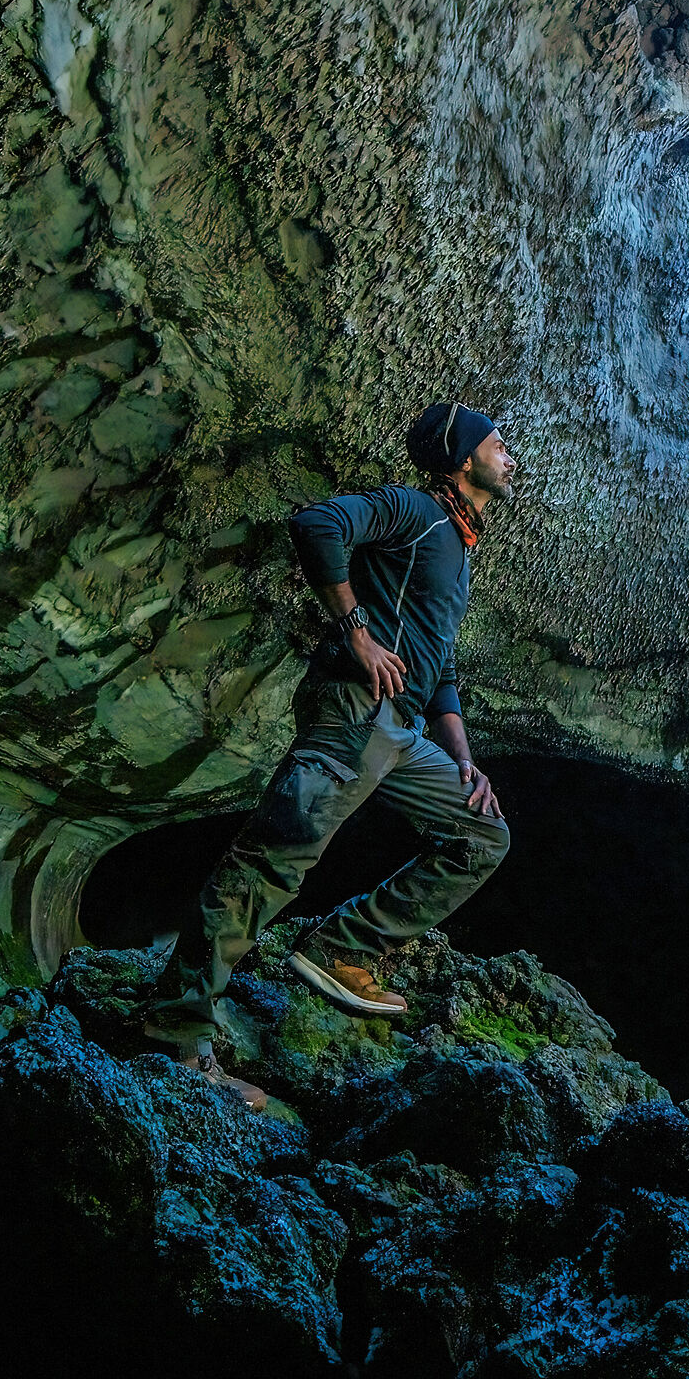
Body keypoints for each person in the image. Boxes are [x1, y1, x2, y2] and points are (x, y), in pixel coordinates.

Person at [145, 401, 516, 1106]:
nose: (511, 456)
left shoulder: (456, 548)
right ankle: (177, 1033)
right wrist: (356, 631)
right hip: (354, 711)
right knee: (270, 861)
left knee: (481, 833)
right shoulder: (413, 509)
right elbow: (318, 524)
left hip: (404, 732)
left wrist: (465, 760)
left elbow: (440, 670)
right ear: (463, 460)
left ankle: (341, 949)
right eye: (499, 445)